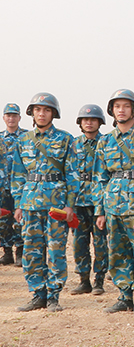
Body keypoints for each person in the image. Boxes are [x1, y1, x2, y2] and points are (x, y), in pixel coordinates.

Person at [11, 93, 79, 312]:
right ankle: (38, 294)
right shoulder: (23, 140)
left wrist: (69, 205)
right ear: (32, 113)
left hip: (56, 205)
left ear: (53, 113)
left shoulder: (66, 139)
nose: (42, 114)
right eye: (38, 110)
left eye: (47, 110)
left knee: (56, 250)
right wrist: (18, 203)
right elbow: (18, 174)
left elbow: (73, 174)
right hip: (30, 203)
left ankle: (53, 296)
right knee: (31, 250)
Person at [94, 89, 134, 316]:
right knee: (117, 252)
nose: (121, 110)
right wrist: (100, 210)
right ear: (111, 111)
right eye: (117, 106)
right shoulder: (105, 141)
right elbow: (100, 178)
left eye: (126, 106)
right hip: (113, 205)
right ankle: (124, 297)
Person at [70, 104, 109, 296]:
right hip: (78, 201)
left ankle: (99, 280)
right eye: (85, 119)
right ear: (80, 122)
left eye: (93, 119)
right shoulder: (74, 144)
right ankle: (83, 280)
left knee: (100, 243)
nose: (89, 122)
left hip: (98, 201)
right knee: (79, 242)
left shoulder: (107, 142)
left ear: (100, 122)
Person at [2, 103, 27, 266]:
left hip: (21, 186)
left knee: (20, 219)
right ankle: (7, 252)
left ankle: (20, 252)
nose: (11, 118)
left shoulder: (26, 137)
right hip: (3, 186)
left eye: (14, 115)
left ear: (19, 118)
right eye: (8, 115)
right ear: (4, 118)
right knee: (3, 220)